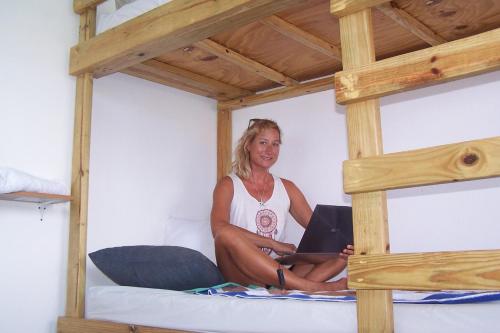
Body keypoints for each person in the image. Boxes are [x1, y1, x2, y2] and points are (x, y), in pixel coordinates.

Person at [210, 118, 354, 291]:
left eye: (275, 144)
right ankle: (314, 287)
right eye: (263, 142)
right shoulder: (228, 184)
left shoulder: (287, 187)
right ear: (248, 145)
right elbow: (218, 228)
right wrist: (273, 244)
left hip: (277, 272)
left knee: (337, 254)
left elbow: (320, 231)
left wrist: (347, 243)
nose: (269, 150)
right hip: (240, 273)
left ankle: (287, 289)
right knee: (225, 234)